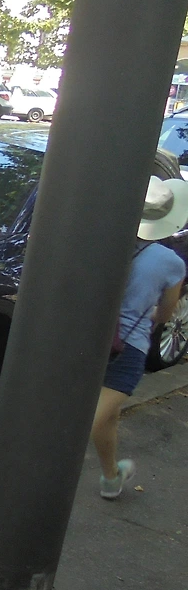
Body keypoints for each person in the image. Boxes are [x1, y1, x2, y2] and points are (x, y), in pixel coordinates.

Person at [91, 176, 188, 498]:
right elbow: (166, 313)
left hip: (83, 338)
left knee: (107, 418)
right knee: (99, 418)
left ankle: (111, 477)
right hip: (128, 347)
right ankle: (108, 477)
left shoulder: (100, 242)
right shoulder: (171, 263)